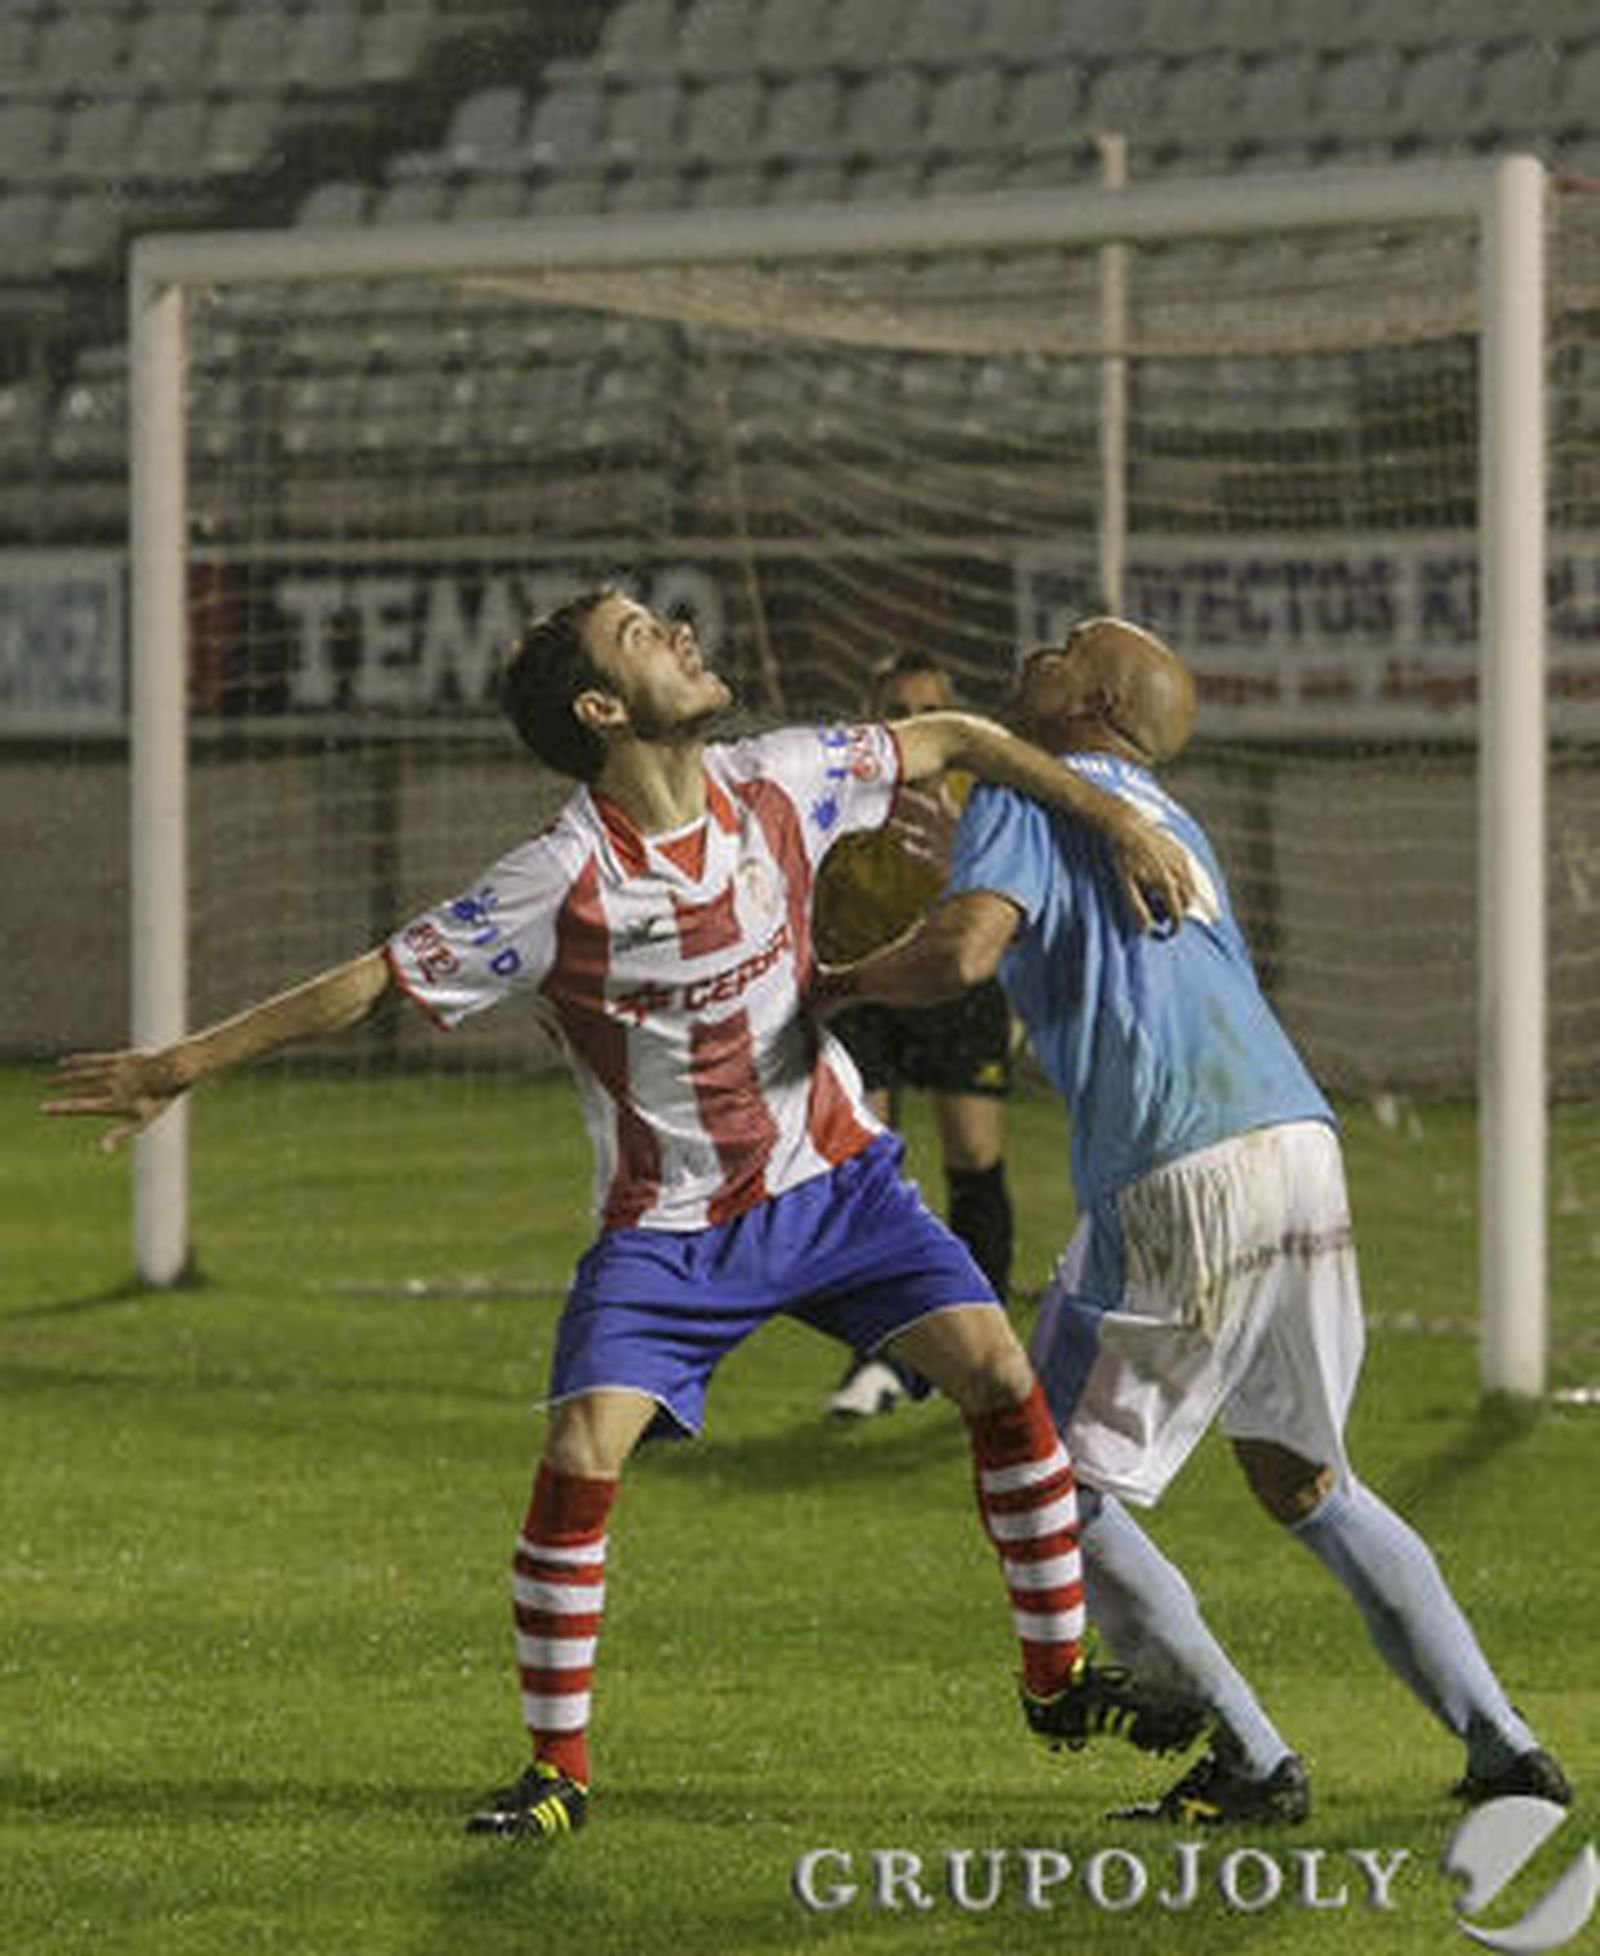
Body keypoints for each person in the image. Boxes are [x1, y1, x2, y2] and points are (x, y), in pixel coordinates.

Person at [45, 588, 1208, 1845]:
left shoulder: (785, 777)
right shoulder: (560, 878)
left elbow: (964, 738)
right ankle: (555, 1771)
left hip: (837, 1182)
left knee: (998, 1375)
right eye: (645, 635)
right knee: (583, 1455)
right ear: (603, 709)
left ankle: (1057, 1679)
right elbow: (378, 979)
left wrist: (1106, 821)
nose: (680, 634)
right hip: (670, 1231)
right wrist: (182, 1065)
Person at [815, 614, 1573, 1824]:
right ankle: (1502, 1743)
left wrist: (839, 978)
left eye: (1066, 645)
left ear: (1097, 704)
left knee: (1041, 1479)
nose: (1039, 648)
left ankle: (1250, 1757)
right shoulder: (1164, 816)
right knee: (1305, 1477)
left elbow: (964, 951)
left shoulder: (1031, 788)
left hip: (1182, 1166)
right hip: (1297, 1147)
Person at [813, 649, 1015, 1418]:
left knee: (974, 1158)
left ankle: (987, 1341)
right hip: (866, 989)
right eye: (898, 708)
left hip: (957, 990)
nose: (912, 722)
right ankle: (875, 1359)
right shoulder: (838, 791)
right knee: (869, 1177)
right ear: (875, 714)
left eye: (927, 707)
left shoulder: (979, 791)